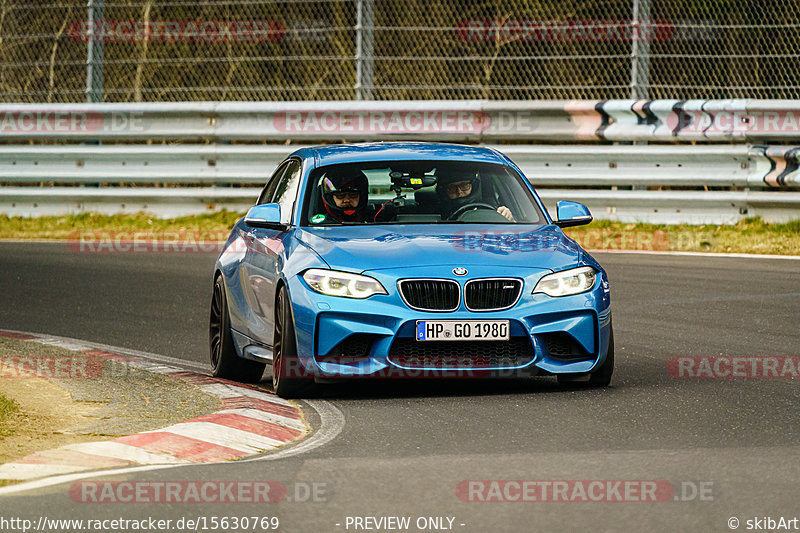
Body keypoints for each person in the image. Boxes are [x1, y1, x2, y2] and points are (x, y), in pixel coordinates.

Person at [313, 168, 395, 224]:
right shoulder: (317, 224)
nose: (347, 200)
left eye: (353, 195)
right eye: (340, 196)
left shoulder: (376, 222)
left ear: (362, 196)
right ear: (330, 198)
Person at [435, 170, 515, 221]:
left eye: (464, 186)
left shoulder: (494, 208)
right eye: (452, 188)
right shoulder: (434, 212)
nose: (459, 192)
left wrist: (510, 220)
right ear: (444, 191)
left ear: (474, 186)